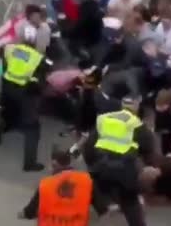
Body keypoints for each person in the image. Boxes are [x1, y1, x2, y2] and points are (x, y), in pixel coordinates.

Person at [0, 26, 51, 172]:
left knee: (6, 113)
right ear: (35, 41)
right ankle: (29, 163)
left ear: (22, 38)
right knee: (32, 128)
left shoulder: (9, 49)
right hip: (24, 93)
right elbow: (45, 72)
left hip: (6, 89)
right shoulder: (38, 57)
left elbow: (1, 56)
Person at [85, 95, 147, 226]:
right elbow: (148, 150)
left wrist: (92, 166)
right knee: (131, 202)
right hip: (125, 173)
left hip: (102, 169)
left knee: (95, 186)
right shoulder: (137, 124)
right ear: (136, 108)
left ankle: (107, 206)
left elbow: (89, 147)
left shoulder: (104, 119)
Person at [19, 148, 111, 224]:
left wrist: (23, 214)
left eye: (51, 165)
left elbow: (30, 211)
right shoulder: (87, 182)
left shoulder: (45, 184)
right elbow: (103, 211)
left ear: (55, 165)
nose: (49, 168)